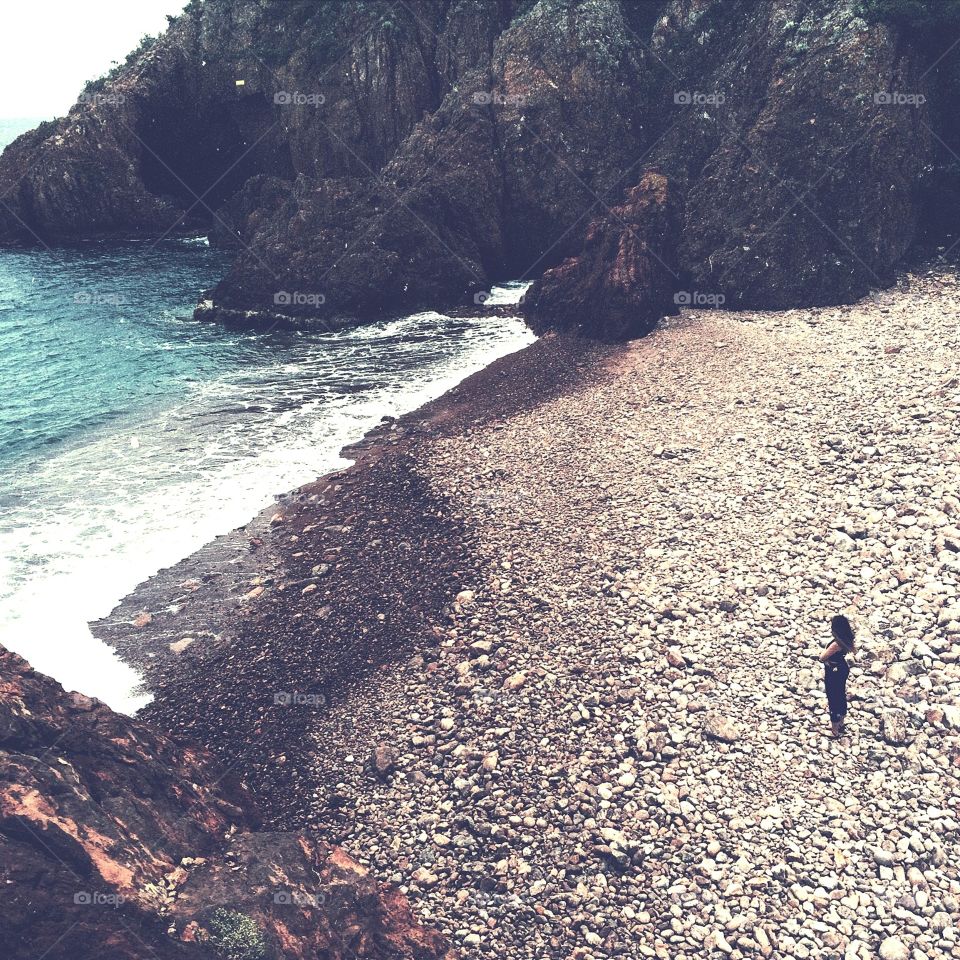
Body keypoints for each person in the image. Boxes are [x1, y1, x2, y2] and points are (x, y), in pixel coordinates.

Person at [820, 615, 855, 737]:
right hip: (842, 667)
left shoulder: (836, 644)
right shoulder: (846, 639)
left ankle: (834, 728)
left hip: (833, 670)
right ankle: (841, 722)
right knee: (840, 694)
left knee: (832, 696)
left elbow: (822, 657)